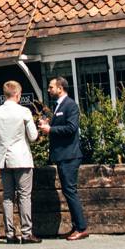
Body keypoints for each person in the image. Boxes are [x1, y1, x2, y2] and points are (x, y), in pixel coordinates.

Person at [0, 80, 40, 242]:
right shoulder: (24, 111)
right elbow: (33, 136)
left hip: (3, 159)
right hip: (21, 157)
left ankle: (9, 233)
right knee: (24, 195)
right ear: (17, 94)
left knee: (8, 196)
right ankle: (26, 233)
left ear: (5, 94)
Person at [45, 76, 89, 240]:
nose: (49, 90)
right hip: (63, 155)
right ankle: (76, 226)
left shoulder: (70, 105)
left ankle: (81, 228)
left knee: (70, 191)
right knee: (68, 191)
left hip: (70, 155)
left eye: (51, 87)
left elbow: (71, 128)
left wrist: (50, 130)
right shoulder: (58, 106)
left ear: (60, 88)